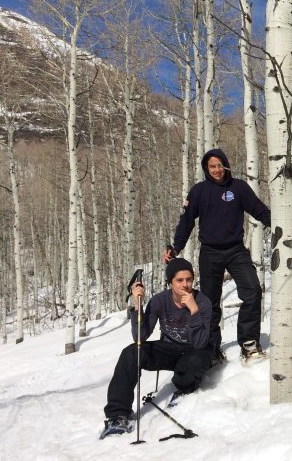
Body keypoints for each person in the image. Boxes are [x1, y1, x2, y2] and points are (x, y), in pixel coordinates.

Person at [164, 148, 271, 365]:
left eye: (220, 165)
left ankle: (249, 343)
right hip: (210, 253)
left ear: (226, 165)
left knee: (252, 291)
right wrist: (176, 248)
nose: (217, 170)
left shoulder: (238, 188)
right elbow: (186, 222)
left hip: (236, 250)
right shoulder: (199, 191)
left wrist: (281, 224)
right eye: (212, 166)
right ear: (206, 168)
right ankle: (212, 348)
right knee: (209, 302)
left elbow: (259, 210)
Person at [101, 258, 213, 438]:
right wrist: (138, 306)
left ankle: (183, 387)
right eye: (180, 280)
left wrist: (194, 310)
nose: (185, 285)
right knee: (131, 352)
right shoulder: (160, 301)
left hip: (196, 350)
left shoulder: (203, 302)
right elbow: (140, 336)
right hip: (169, 349)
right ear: (170, 282)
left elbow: (200, 342)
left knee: (194, 360)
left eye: (189, 279)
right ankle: (118, 415)